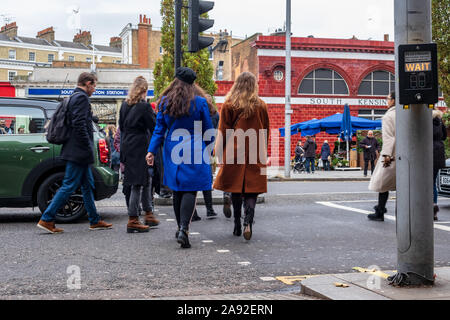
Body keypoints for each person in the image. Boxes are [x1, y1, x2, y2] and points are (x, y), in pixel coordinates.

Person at [146, 67, 214, 249]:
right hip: (195, 148)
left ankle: (179, 227)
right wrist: (210, 148)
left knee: (177, 189)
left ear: (175, 81)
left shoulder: (165, 103)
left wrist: (151, 151)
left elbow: (159, 130)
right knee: (191, 190)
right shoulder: (199, 102)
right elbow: (208, 130)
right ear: (193, 84)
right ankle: (184, 228)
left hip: (173, 147)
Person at [37, 72, 113, 234]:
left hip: (76, 150)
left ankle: (94, 219)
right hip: (78, 151)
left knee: (87, 185)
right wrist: (87, 145)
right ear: (87, 83)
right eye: (94, 85)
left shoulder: (73, 97)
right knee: (69, 184)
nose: (94, 89)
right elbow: (79, 124)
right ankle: (47, 218)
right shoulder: (81, 98)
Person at [213, 72, 270, 241]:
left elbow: (223, 131)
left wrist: (218, 154)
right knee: (252, 191)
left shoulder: (229, 105)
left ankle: (237, 223)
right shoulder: (261, 105)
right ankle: (248, 223)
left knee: (235, 188)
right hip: (256, 150)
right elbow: (265, 130)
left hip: (234, 150)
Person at [120, 76, 160, 233]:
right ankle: (133, 219)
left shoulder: (124, 105)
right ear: (144, 90)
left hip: (127, 145)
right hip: (140, 146)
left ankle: (148, 213)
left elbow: (121, 126)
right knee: (138, 183)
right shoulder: (144, 106)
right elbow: (154, 125)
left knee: (144, 179)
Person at [368, 92, 396, 222]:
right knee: (403, 185)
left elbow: (389, 138)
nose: (386, 101)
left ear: (393, 101)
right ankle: (402, 213)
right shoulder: (405, 114)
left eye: (388, 98)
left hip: (392, 155)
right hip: (406, 154)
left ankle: (380, 211)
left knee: (382, 184)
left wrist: (386, 156)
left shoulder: (388, 116)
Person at [192, 93, 219, 221]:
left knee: (198, 181)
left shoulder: (200, 113)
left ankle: (196, 211)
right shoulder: (214, 115)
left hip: (199, 148)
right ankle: (209, 209)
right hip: (206, 148)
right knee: (206, 179)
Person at [433, 108, 447, 221]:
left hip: (429, 152)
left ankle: (429, 206)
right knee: (432, 182)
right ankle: (434, 205)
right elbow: (444, 136)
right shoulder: (439, 120)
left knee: (426, 183)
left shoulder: (426, 119)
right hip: (439, 152)